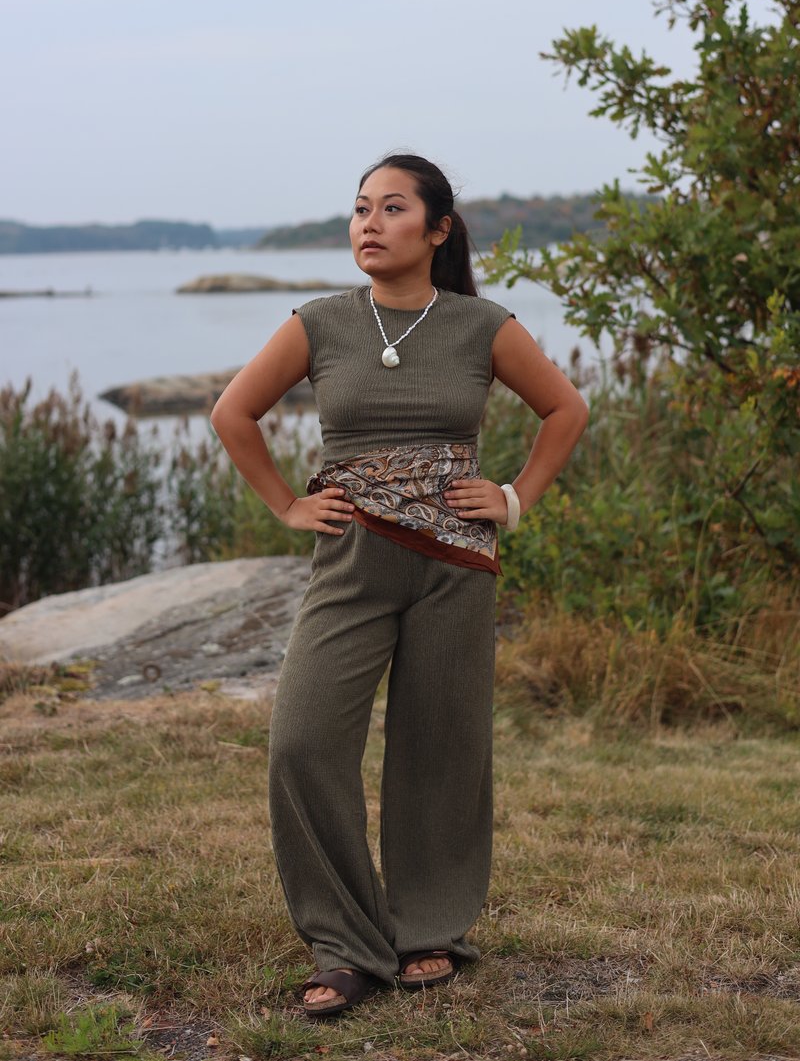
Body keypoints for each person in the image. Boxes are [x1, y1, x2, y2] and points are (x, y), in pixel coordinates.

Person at [210, 153, 588, 1017]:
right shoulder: (320, 323)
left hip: (456, 569)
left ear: (438, 229)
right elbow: (234, 413)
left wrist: (514, 498)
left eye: (390, 208)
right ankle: (345, 942)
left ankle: (429, 928)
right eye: (358, 210)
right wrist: (287, 507)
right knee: (302, 742)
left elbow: (566, 410)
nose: (368, 225)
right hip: (350, 565)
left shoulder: (482, 324)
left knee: (441, 750)